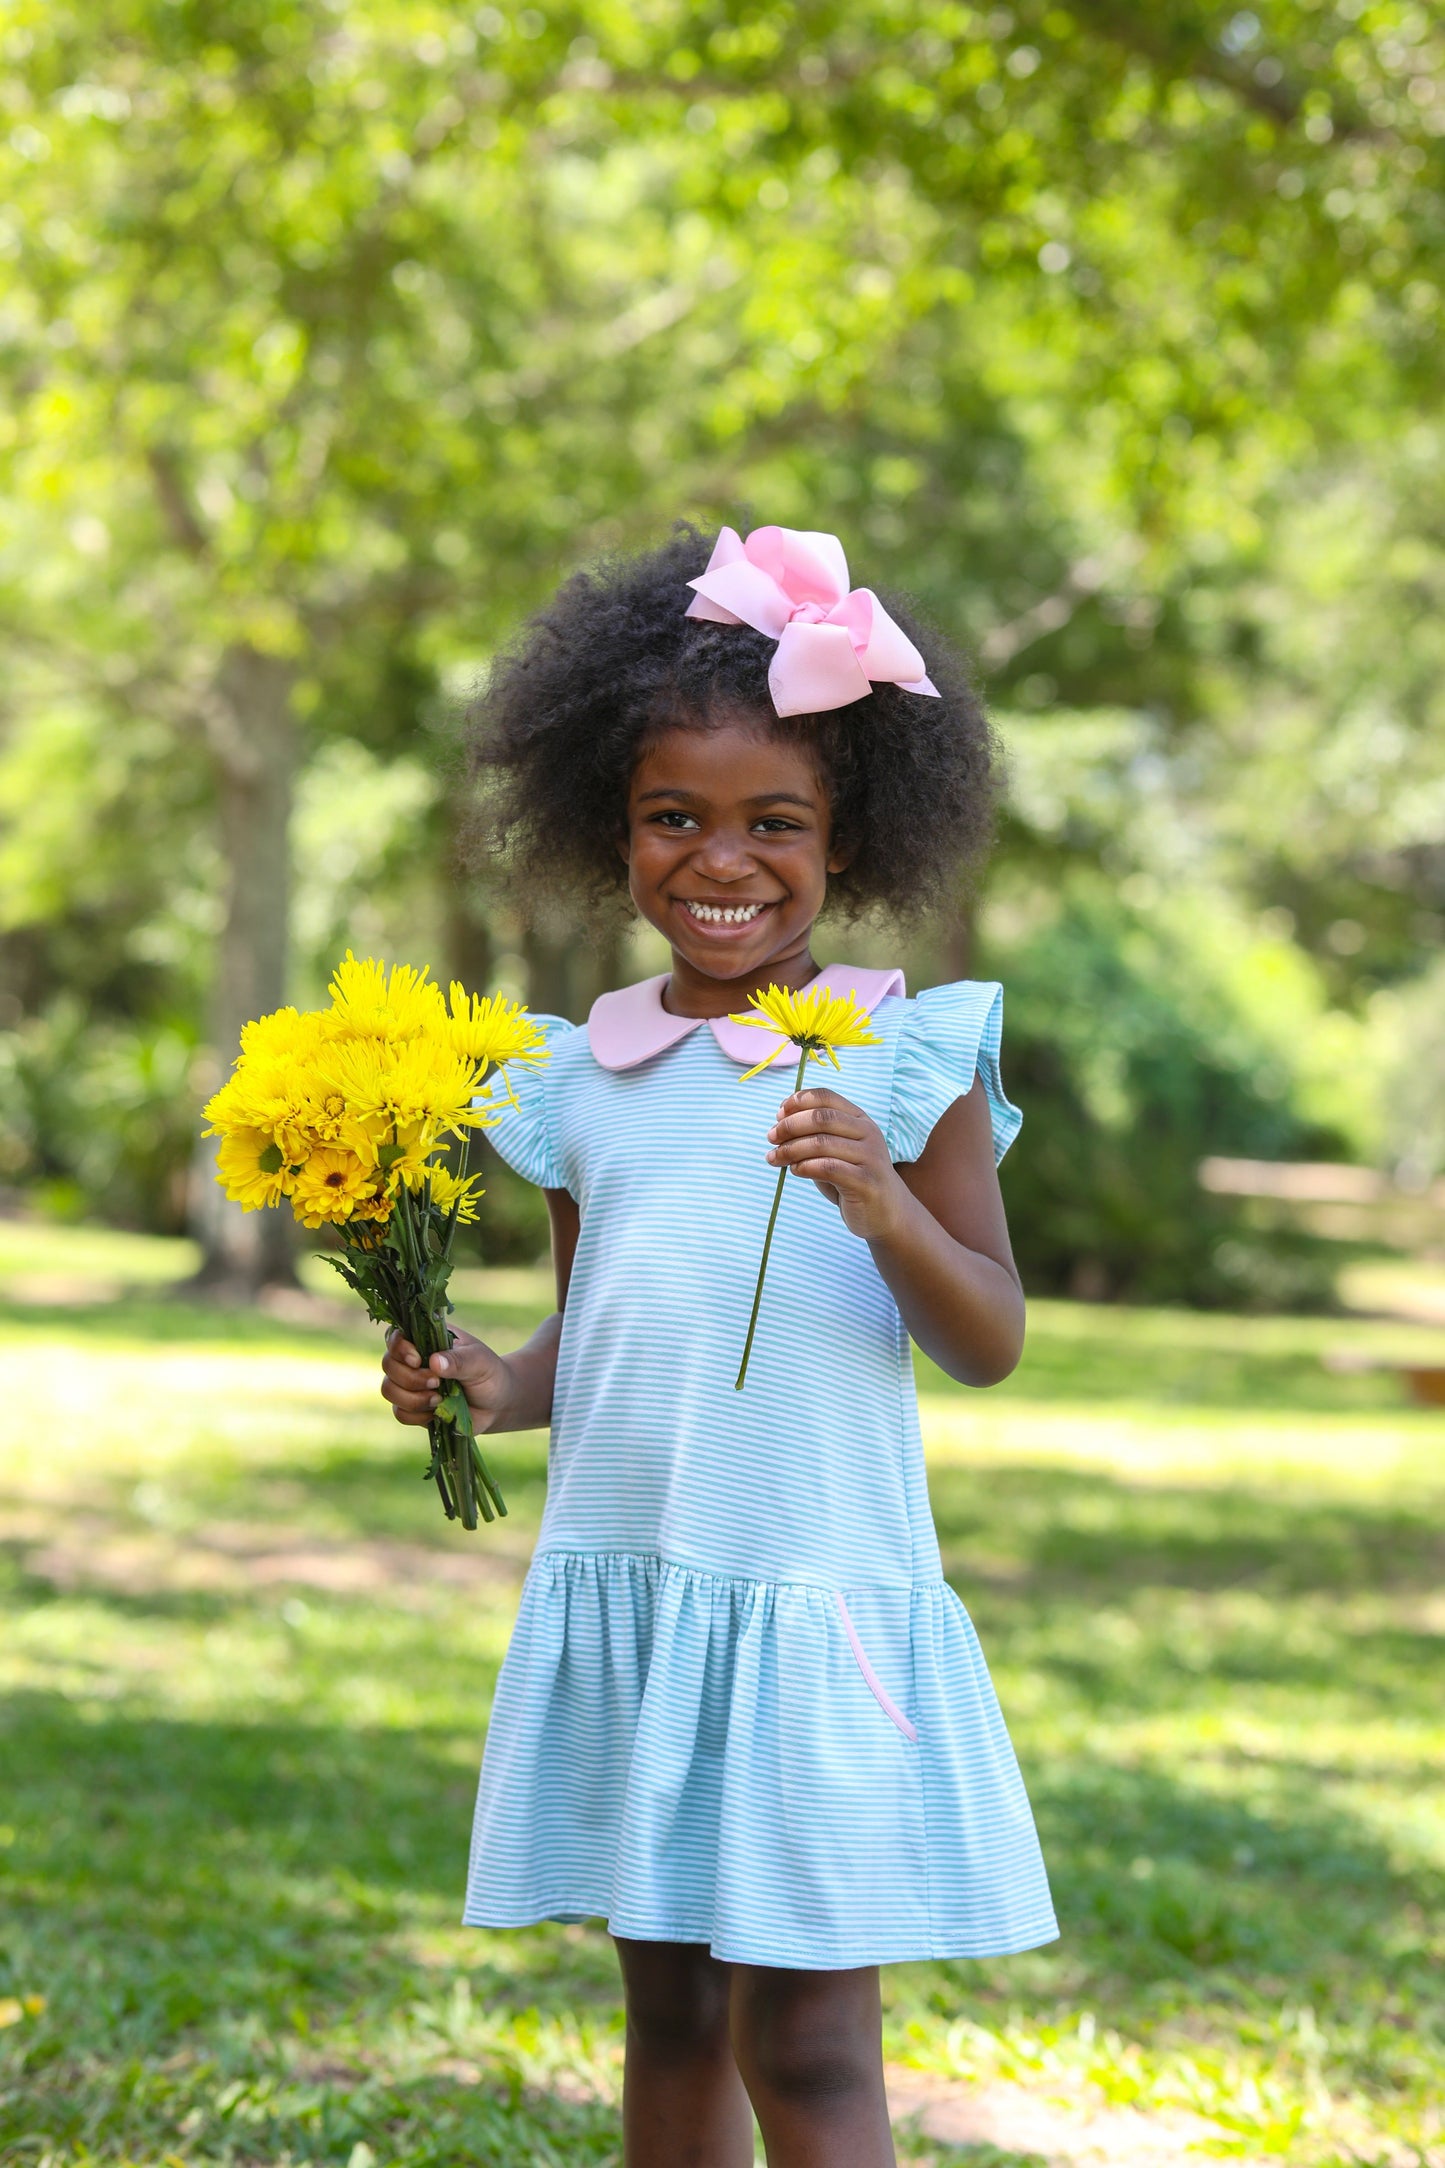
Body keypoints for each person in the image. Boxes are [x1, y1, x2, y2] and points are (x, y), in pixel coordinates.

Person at [381, 524, 1056, 2167]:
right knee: (668, 2016)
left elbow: (988, 1339)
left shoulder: (911, 1052)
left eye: (775, 822)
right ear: (608, 830)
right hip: (638, 1593)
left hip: (807, 1607)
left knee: (811, 2042)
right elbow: (590, 1326)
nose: (720, 860)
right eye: (672, 818)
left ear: (851, 835)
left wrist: (886, 1207)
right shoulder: (580, 1073)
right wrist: (488, 1380)